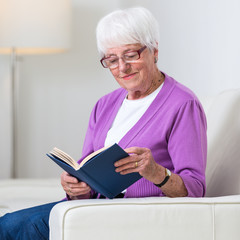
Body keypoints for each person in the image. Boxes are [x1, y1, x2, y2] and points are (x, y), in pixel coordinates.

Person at [0, 6, 207, 239]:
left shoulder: (182, 104)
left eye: (130, 55)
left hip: (134, 214)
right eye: (111, 59)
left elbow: (195, 190)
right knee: (6, 223)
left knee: (14, 228)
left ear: (154, 50)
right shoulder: (104, 105)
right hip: (93, 209)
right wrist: (76, 187)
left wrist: (157, 173)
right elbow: (87, 173)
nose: (121, 67)